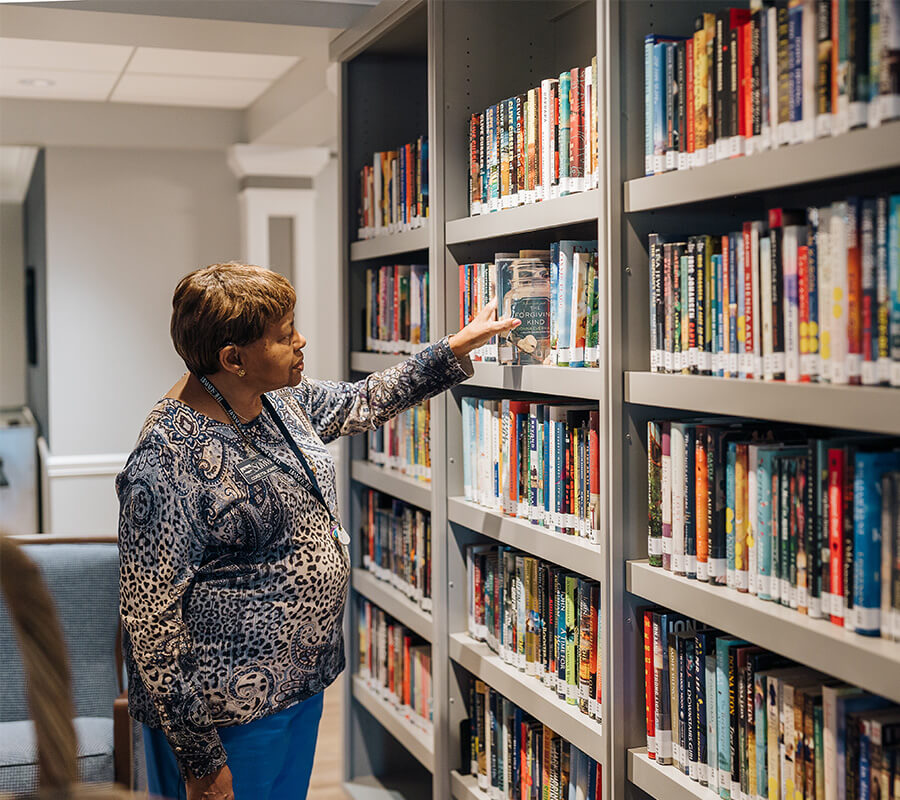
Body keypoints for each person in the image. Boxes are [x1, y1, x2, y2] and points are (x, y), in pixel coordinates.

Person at [116, 262, 519, 800]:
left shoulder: (277, 401)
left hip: (298, 685)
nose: (301, 341)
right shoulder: (164, 460)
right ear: (232, 358)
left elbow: (364, 400)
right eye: (284, 336)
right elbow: (150, 623)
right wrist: (202, 760)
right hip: (227, 716)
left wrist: (454, 349)